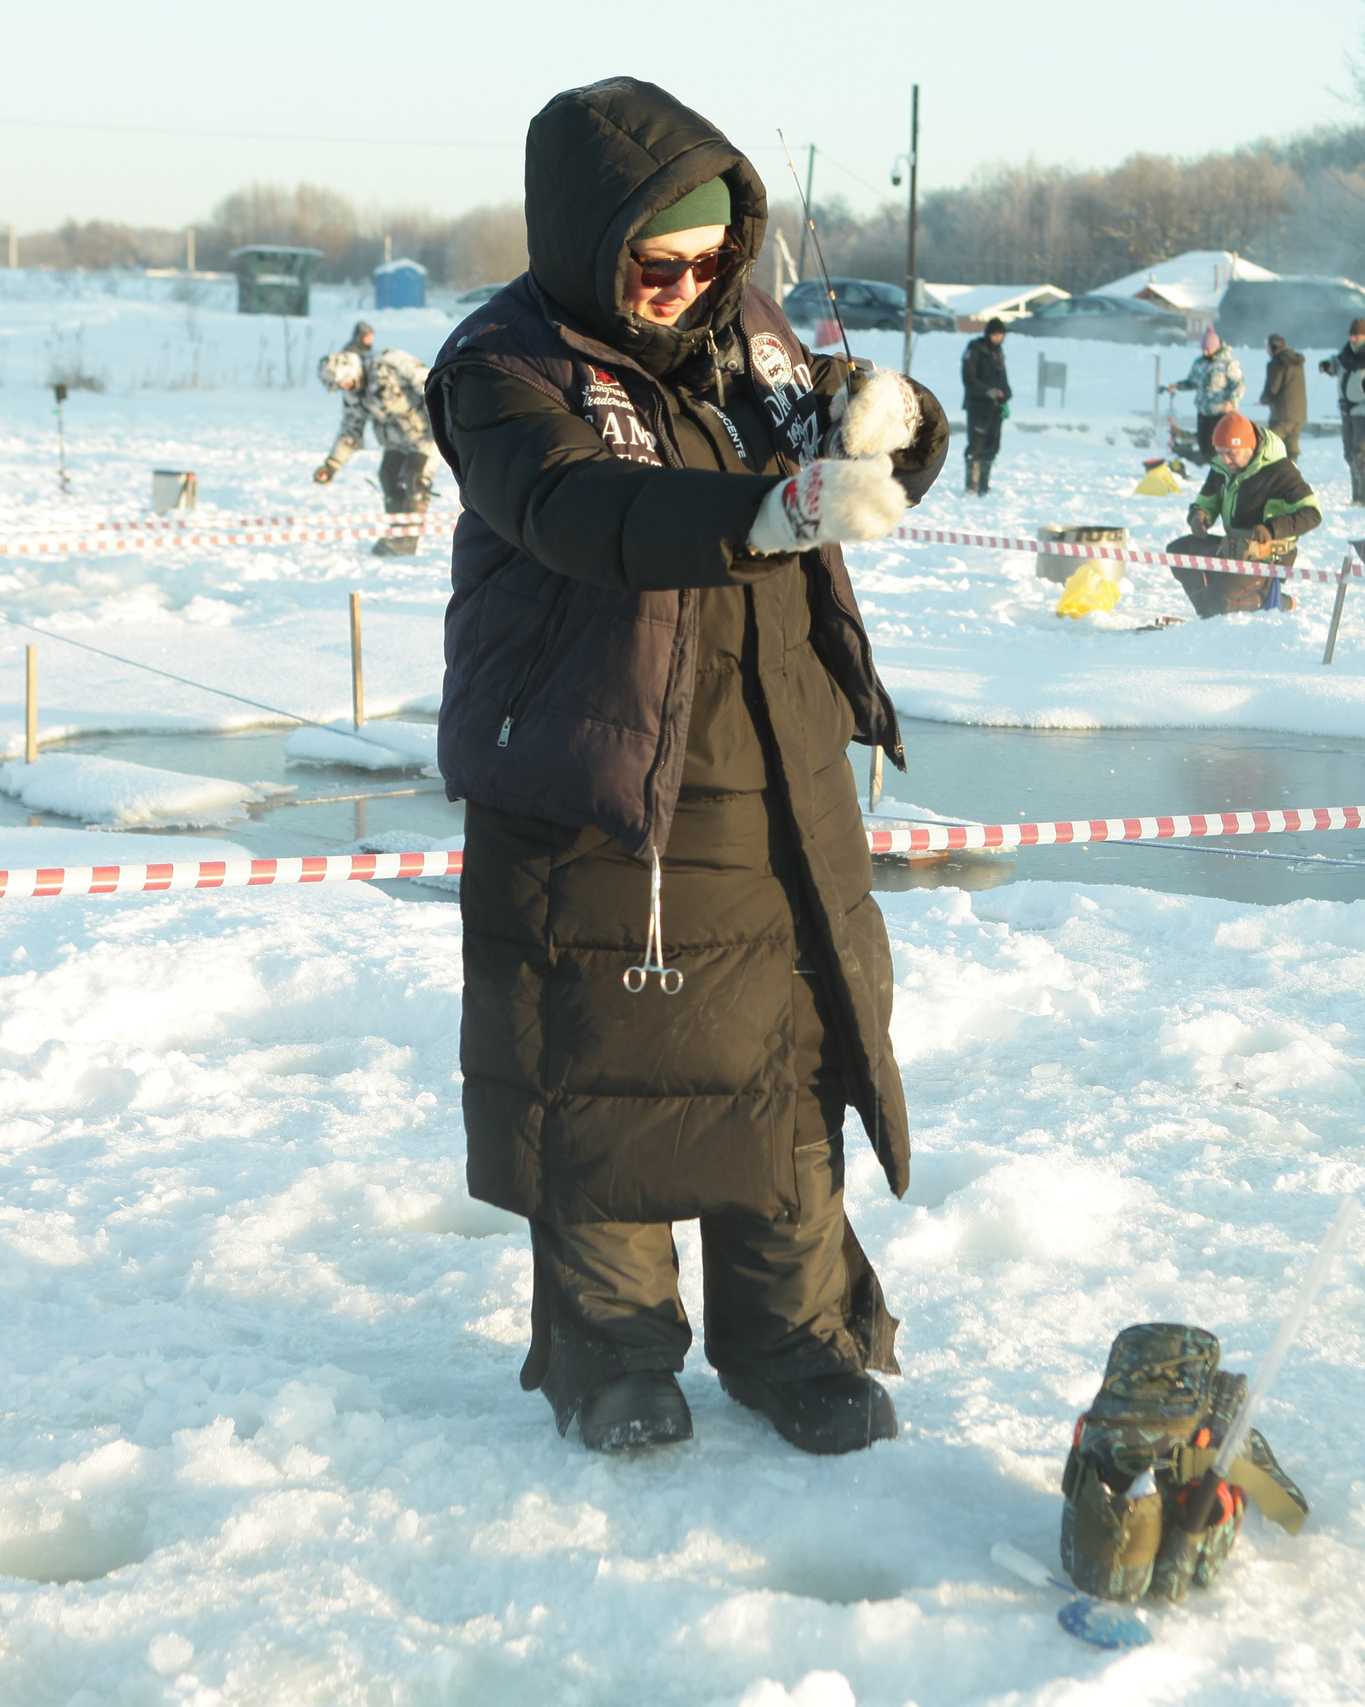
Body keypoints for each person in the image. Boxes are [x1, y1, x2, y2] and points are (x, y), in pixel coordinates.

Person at [426, 77, 949, 1459]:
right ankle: (612, 1355)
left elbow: (840, 431)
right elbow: (585, 509)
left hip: (777, 762)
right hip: (602, 778)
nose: (693, 284)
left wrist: (900, 426)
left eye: (717, 258)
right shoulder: (504, 373)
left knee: (787, 1067)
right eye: (661, 262)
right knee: (608, 1073)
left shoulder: (752, 343)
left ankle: (796, 1341)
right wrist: (772, 507)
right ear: (590, 242)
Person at [1163, 412, 1323, 618]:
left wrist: (1272, 529)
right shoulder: (1222, 467)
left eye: (1231, 453)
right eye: (1220, 452)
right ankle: (1209, 610)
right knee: (1179, 551)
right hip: (1232, 547)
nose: (1225, 459)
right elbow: (1206, 500)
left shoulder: (1280, 470)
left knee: (1221, 601)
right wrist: (1200, 516)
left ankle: (1272, 601)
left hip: (1267, 557)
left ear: (1250, 446)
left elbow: (1312, 513)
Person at [315, 343, 435, 555]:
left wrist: (447, 422)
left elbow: (430, 382)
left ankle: (408, 540)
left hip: (426, 435)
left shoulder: (388, 362)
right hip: (394, 441)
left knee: (413, 477)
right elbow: (350, 431)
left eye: (346, 383)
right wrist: (331, 465)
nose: (345, 388)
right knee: (388, 476)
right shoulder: (353, 393)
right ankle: (396, 534)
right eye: (341, 387)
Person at [1322, 318, 1365, 506]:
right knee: (1349, 454)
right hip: (1347, 412)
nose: (1353, 339)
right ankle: (1356, 497)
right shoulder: (1347, 353)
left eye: (1357, 335)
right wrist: (1328, 366)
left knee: (1361, 453)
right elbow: (1338, 365)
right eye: (1351, 335)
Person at [1168, 327, 1242, 458]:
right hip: (1203, 411)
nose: (1205, 352)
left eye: (1208, 349)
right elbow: (1192, 382)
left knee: (1218, 447)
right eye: (1203, 349)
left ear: (1216, 347)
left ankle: (1219, 472)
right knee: (1204, 445)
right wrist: (1178, 386)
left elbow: (1238, 385)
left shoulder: (1228, 363)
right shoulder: (1199, 363)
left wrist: (1231, 401)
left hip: (1221, 412)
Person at [959, 318, 1011, 494]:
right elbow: (969, 378)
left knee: (992, 445)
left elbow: (1002, 377)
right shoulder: (975, 350)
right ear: (988, 334)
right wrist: (987, 391)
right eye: (994, 334)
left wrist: (1006, 394)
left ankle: (984, 486)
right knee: (976, 446)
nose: (997, 338)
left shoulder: (998, 352)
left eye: (1000, 335)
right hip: (977, 406)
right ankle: (971, 486)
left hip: (995, 408)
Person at [1259, 333, 1306, 445]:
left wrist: (1264, 399)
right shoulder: (1296, 361)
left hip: (1282, 414)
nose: (1267, 350)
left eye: (1268, 347)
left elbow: (1273, 387)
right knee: (1291, 447)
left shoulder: (1277, 363)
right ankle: (1292, 463)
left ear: (1274, 347)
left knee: (1268, 443)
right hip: (1299, 414)